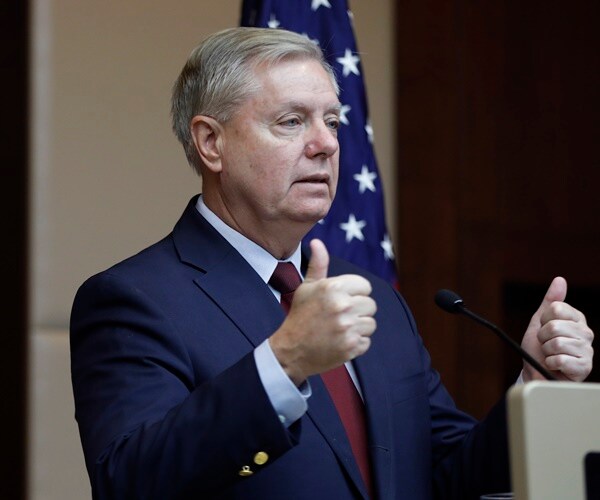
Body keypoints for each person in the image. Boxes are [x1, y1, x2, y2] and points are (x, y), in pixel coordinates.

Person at [70, 27, 594, 500]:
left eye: (333, 122)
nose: (325, 144)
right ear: (211, 143)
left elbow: (447, 474)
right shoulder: (135, 300)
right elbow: (129, 481)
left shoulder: (372, 296)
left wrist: (534, 386)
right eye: (291, 121)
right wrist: (284, 362)